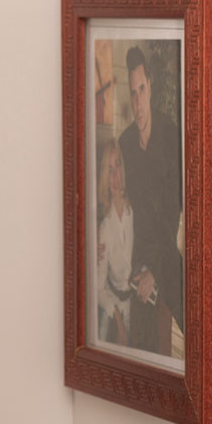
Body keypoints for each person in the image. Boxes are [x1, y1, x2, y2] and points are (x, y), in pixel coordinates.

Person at [118, 45, 183, 357]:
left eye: (141, 89)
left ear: (151, 86)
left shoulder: (171, 135)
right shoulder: (126, 143)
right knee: (141, 349)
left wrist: (153, 271)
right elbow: (125, 207)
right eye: (132, 93)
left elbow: (172, 215)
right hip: (138, 260)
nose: (137, 101)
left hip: (167, 255)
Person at [95, 143, 134, 345]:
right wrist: (117, 318)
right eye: (109, 170)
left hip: (138, 305)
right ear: (105, 179)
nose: (116, 174)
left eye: (118, 164)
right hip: (113, 310)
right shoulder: (104, 229)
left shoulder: (135, 211)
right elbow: (98, 289)